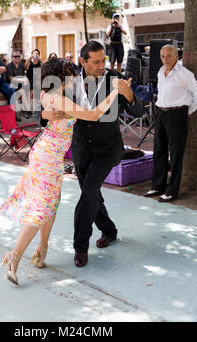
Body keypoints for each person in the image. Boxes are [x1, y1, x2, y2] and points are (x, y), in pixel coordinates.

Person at [0, 57, 120, 285]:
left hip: (48, 155)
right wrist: (115, 92)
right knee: (41, 209)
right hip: (47, 157)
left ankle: (41, 252)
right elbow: (93, 115)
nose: (74, 75)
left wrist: (45, 114)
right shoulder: (59, 99)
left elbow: (46, 111)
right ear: (62, 76)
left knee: (50, 205)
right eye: (70, 72)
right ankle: (13, 256)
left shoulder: (49, 95)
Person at [41, 41, 144, 268]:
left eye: (103, 60)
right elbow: (44, 110)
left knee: (88, 194)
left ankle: (80, 248)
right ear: (83, 61)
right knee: (92, 195)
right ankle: (109, 230)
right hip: (80, 149)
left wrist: (129, 96)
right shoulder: (69, 79)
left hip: (107, 149)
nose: (101, 65)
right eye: (96, 61)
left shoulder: (116, 79)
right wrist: (48, 113)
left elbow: (139, 111)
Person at [144, 44, 197, 203]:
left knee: (176, 154)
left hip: (177, 114)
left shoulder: (184, 74)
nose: (165, 59)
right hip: (161, 113)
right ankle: (158, 186)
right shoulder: (160, 72)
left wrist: (185, 111)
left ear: (176, 56)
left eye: (169, 55)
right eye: (163, 56)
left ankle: (172, 191)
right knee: (159, 151)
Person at [7, 50, 32, 119]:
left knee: (28, 90)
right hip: (13, 86)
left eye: (18, 56)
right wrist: (21, 80)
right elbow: (11, 78)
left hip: (21, 86)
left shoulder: (21, 65)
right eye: (15, 56)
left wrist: (25, 79)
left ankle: (25, 110)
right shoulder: (9, 65)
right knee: (23, 92)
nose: (17, 58)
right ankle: (26, 110)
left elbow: (24, 75)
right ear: (12, 57)